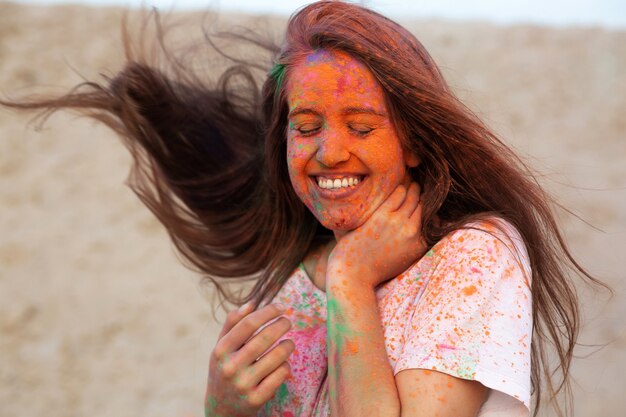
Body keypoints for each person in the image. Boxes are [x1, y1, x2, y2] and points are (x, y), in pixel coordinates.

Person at [1, 1, 606, 416]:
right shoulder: (291, 288)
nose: (328, 151)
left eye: (362, 126)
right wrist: (224, 408)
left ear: (416, 140)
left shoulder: (474, 257)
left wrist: (351, 280)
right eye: (306, 125)